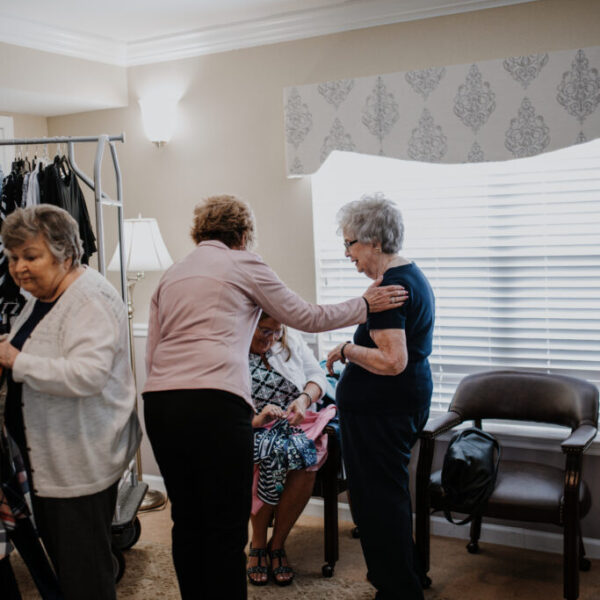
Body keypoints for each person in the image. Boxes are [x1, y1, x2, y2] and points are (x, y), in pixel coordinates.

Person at [142, 194, 407, 599]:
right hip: (214, 402)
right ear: (244, 234)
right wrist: (363, 304)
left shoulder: (172, 274)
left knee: (188, 518)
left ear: (200, 233)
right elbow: (306, 317)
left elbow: (154, 350)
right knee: (226, 523)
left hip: (160, 403)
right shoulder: (243, 261)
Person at [0, 204, 142, 600]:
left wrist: (17, 360)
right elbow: (36, 341)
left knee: (85, 575)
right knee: (68, 565)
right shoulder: (42, 294)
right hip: (49, 458)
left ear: (65, 253)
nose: (19, 268)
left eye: (31, 256)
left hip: (79, 462)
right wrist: (9, 349)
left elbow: (87, 375)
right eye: (13, 257)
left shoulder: (87, 300)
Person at [326, 193, 435, 600]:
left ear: (373, 241)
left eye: (350, 243)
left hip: (381, 411)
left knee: (377, 502)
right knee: (387, 494)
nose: (347, 253)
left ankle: (398, 590)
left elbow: (392, 361)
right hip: (395, 405)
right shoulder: (408, 275)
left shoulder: (392, 289)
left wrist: (345, 351)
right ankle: (407, 575)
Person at [247, 313, 335, 587]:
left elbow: (317, 376)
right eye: (264, 331)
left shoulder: (289, 339)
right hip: (252, 425)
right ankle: (258, 542)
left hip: (297, 420)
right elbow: (219, 400)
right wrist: (256, 420)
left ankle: (278, 544)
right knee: (268, 451)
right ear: (247, 323)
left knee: (306, 459)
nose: (271, 339)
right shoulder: (229, 347)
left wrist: (304, 399)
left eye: (276, 332)